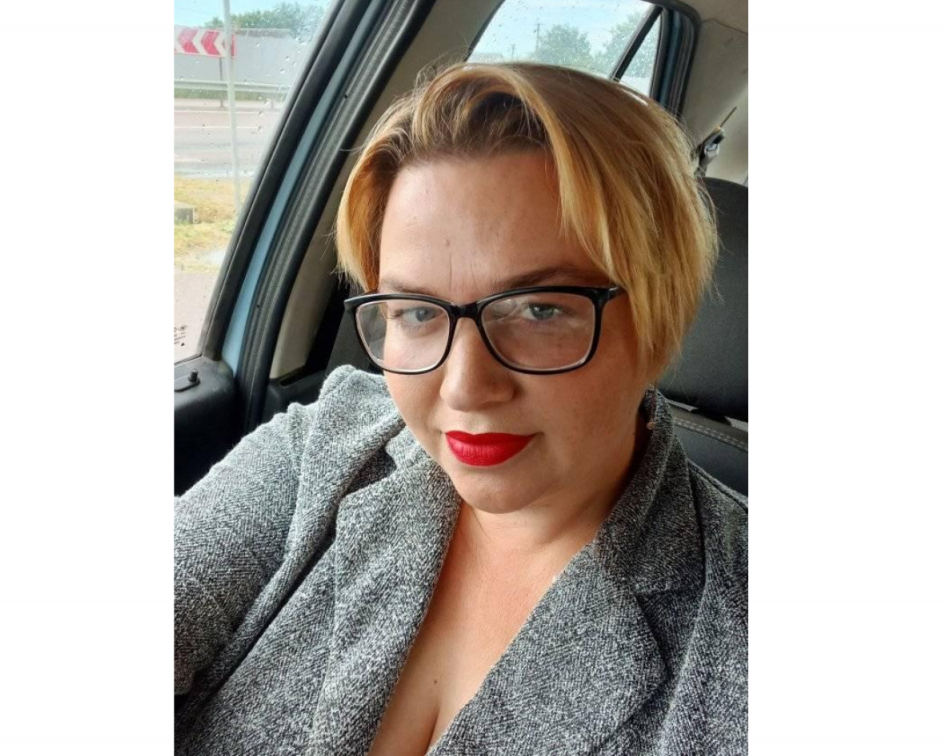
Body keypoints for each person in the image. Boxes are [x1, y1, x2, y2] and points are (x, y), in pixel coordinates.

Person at [175, 62, 747, 756]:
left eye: (540, 309)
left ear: (659, 317)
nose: (465, 388)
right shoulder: (323, 448)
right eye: (417, 312)